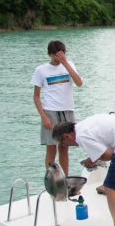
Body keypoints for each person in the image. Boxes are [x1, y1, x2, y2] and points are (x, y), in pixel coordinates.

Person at [32, 40, 83, 177]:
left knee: (64, 147)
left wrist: (65, 63)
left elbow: (79, 83)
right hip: (50, 111)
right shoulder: (41, 70)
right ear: (49, 54)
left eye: (60, 55)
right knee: (51, 148)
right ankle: (53, 180)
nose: (57, 58)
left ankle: (65, 179)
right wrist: (44, 117)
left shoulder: (69, 65)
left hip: (68, 110)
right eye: (55, 55)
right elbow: (36, 96)